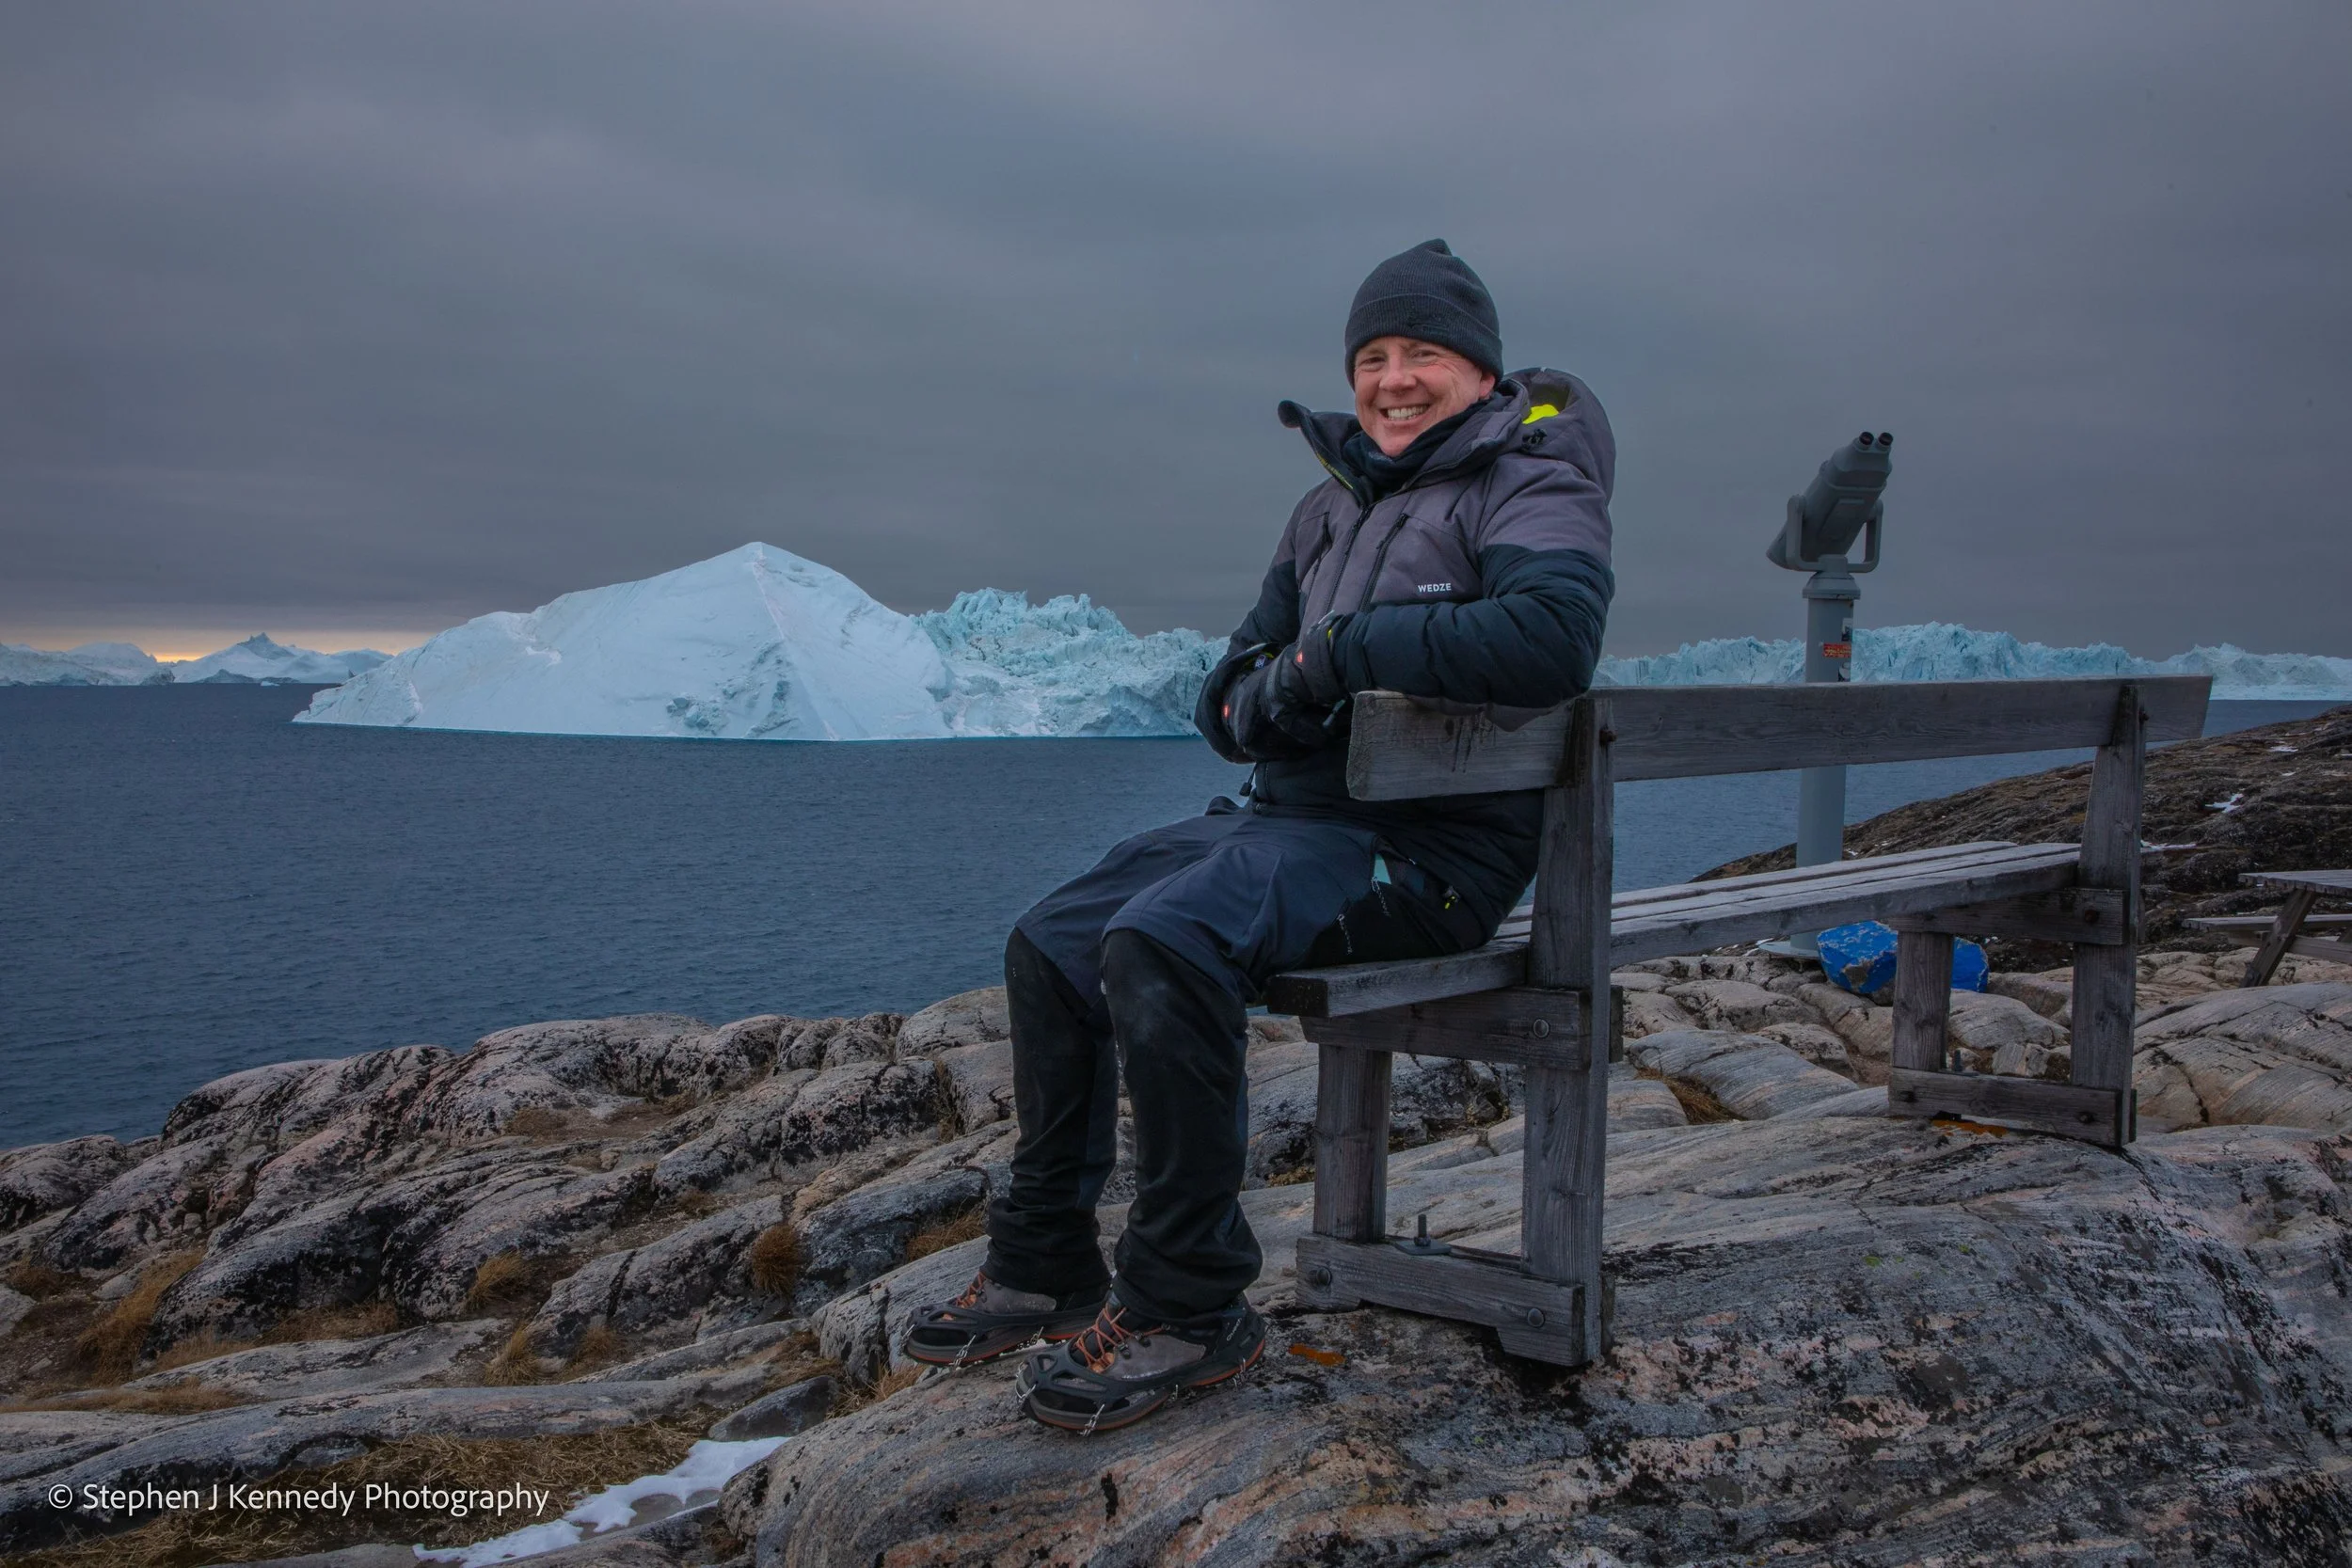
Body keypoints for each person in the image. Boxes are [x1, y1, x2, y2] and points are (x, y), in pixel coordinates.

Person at [903, 239, 1615, 1433]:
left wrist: (1339, 654)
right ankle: (1043, 1263)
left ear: (1481, 373)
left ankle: (1190, 1301)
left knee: (1168, 941)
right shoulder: (1327, 507)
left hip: (1429, 855)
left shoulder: (1531, 483)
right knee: (1054, 938)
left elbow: (1549, 639)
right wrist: (1251, 694)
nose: (1393, 378)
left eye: (1423, 353)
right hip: (1293, 821)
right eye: (1373, 355)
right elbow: (1234, 676)